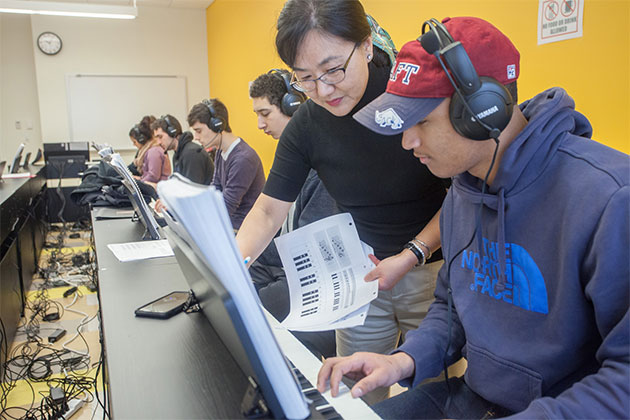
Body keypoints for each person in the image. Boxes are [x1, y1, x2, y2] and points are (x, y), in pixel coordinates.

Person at [319, 16, 630, 419]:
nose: (408, 142)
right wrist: (404, 360)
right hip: (470, 399)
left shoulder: (610, 198)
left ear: (482, 111)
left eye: (422, 122)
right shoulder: (462, 190)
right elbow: (452, 307)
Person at [236, 0, 449, 403]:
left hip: (430, 268)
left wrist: (411, 255)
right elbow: (268, 210)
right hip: (360, 278)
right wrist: (232, 265)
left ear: (366, 45)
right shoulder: (307, 125)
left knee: (436, 395)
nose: (324, 90)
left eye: (334, 69)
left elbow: (462, 196)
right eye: (305, 79)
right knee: (360, 395)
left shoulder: (411, 99)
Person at [248, 68, 338, 359]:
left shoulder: (321, 169)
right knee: (238, 293)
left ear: (293, 106)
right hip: (291, 270)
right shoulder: (292, 163)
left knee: (252, 314)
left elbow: (312, 258)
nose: (260, 125)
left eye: (265, 113)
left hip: (320, 284)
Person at [187, 98, 265, 230]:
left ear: (217, 125)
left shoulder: (243, 158)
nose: (195, 137)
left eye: (199, 131)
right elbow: (215, 189)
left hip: (242, 229)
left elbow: (226, 206)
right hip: (230, 225)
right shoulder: (221, 151)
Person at [152, 114, 214, 185]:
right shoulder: (177, 155)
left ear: (172, 132)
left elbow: (193, 191)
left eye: (160, 137)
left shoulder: (192, 153)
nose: (158, 142)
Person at [128, 115, 171, 187]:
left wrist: (138, 182)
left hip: (158, 191)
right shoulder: (150, 150)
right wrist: (139, 179)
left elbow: (153, 177)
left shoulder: (154, 151)